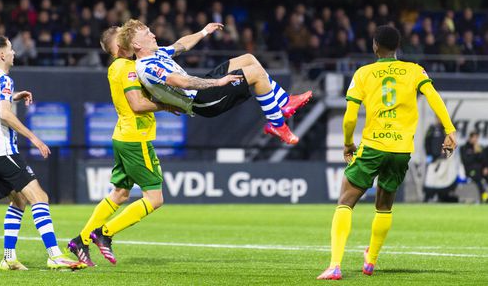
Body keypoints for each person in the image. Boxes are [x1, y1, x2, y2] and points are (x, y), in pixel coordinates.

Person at [317, 25, 457, 280]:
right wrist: (450, 130)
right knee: (384, 207)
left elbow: (350, 117)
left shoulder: (363, 73)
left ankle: (335, 265)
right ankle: (370, 260)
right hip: (401, 149)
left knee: (345, 201)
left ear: (374, 45)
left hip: (373, 145)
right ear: (398, 46)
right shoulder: (414, 70)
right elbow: (433, 96)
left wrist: (348, 143)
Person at [67, 26, 180, 266]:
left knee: (119, 194)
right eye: (124, 35)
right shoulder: (128, 69)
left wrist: (202, 33)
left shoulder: (115, 67)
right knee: (155, 198)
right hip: (136, 138)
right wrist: (167, 105)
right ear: (120, 46)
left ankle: (81, 240)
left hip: (122, 135)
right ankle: (104, 234)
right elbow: (138, 105)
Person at [0, 35, 85, 271]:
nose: (14, 53)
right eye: (11, 49)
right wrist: (34, 138)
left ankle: (9, 257)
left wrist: (14, 97)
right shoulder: (4, 79)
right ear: (2, 55)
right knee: (40, 197)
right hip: (2, 150)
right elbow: (4, 114)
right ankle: (55, 255)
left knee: (19, 200)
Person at [118, 19, 312, 145]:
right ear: (136, 44)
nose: (153, 35)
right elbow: (181, 82)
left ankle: (284, 102)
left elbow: (180, 45)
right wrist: (218, 83)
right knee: (255, 74)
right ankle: (277, 123)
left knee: (249, 59)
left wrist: (204, 31)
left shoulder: (157, 52)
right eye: (147, 34)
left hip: (201, 89)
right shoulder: (146, 67)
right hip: (200, 101)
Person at [460, 132, 488, 203]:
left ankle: (484, 196)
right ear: (470, 138)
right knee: (478, 179)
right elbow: (466, 161)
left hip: (480, 170)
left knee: (483, 176)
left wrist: (486, 167)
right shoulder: (464, 148)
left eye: (477, 138)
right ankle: (483, 197)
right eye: (474, 138)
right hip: (470, 170)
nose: (476, 140)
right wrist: (475, 153)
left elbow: (483, 160)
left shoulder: (479, 147)